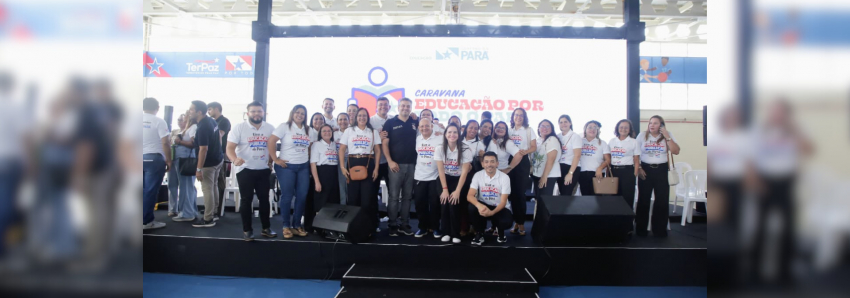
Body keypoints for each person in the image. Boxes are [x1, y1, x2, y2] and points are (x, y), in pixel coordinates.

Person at [226, 101, 277, 241]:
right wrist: (234, 159)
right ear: (247, 113)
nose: (256, 114)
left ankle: (266, 228)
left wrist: (272, 161)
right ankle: (247, 230)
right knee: (246, 200)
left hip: (263, 170)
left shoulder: (270, 128)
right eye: (253, 111)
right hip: (245, 170)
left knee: (264, 200)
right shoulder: (239, 128)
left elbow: (273, 147)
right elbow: (230, 148)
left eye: (259, 111)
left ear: (263, 113)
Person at [268, 105, 314, 238]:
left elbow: (311, 145)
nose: (300, 115)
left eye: (303, 113)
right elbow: (271, 141)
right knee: (287, 196)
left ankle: (297, 225)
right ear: (292, 113)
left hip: (303, 167)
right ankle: (286, 225)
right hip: (286, 167)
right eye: (297, 112)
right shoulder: (284, 126)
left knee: (302, 196)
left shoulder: (309, 130)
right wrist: (275, 159)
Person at [636, 115, 680, 237]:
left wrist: (667, 136)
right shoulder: (642, 135)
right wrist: (639, 167)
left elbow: (676, 151)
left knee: (661, 200)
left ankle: (659, 230)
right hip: (645, 169)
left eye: (655, 123)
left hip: (661, 169)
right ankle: (641, 229)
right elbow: (636, 153)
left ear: (661, 125)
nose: (652, 125)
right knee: (643, 199)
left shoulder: (667, 134)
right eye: (650, 123)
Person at [339, 108, 382, 232]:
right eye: (359, 115)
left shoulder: (373, 132)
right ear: (356, 117)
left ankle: (369, 226)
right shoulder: (349, 131)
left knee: (368, 199)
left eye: (364, 115)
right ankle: (354, 226)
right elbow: (342, 149)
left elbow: (378, 150)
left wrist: (377, 168)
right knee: (353, 198)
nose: (362, 118)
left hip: (369, 163)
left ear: (368, 117)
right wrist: (342, 167)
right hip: (352, 163)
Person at [381, 98, 418, 236]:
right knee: (394, 197)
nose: (405, 108)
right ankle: (392, 224)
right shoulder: (390, 123)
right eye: (403, 106)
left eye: (408, 106)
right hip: (395, 165)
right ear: (398, 107)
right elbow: (385, 144)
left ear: (411, 108)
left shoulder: (415, 121)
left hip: (412, 165)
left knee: (408, 197)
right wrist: (390, 161)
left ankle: (404, 224)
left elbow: (429, 129)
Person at [435, 124, 472, 243]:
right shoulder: (440, 148)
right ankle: (445, 232)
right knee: (444, 203)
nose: (452, 135)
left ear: (459, 134)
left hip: (459, 180)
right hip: (444, 179)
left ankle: (455, 233)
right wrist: (445, 189)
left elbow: (465, 172)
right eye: (449, 132)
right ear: (445, 134)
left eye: (455, 132)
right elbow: (441, 170)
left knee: (454, 204)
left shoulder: (465, 149)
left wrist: (457, 191)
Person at [468, 152, 513, 246]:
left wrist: (492, 213)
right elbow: (470, 196)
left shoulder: (505, 177)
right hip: (484, 205)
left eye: (492, 161)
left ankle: (500, 230)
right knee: (472, 208)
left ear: (497, 163)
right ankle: (480, 233)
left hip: (499, 206)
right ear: (482, 164)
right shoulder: (477, 175)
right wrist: (479, 206)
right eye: (486, 162)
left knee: (506, 222)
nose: (489, 164)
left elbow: (503, 201)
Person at [142, 97, 172, 230]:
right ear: (157, 107)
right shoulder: (159, 121)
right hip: (153, 159)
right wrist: (169, 160)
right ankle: (146, 221)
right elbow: (165, 142)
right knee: (150, 191)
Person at [412, 117, 443, 238]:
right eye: (422, 126)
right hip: (419, 176)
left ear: (431, 126)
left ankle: (435, 227)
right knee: (420, 204)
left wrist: (442, 129)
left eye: (427, 126)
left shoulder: (439, 138)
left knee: (435, 204)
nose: (424, 128)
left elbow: (452, 137)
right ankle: (422, 227)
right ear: (419, 128)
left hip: (435, 177)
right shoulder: (417, 139)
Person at [507, 108, 535, 235]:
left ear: (524, 117)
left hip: (522, 162)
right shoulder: (508, 130)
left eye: (521, 115)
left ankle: (522, 223)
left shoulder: (528, 130)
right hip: (509, 161)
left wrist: (525, 151)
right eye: (516, 115)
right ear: (513, 116)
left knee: (520, 194)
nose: (518, 117)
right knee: (512, 194)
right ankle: (516, 222)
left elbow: (534, 147)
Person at [170, 112, 199, 222]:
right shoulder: (188, 128)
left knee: (186, 186)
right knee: (187, 186)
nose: (183, 118)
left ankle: (187, 213)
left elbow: (194, 143)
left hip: (185, 159)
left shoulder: (193, 127)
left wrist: (179, 141)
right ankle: (191, 211)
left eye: (185, 115)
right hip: (181, 158)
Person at [310, 124, 340, 227]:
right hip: (322, 173)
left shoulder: (334, 144)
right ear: (320, 133)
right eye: (324, 131)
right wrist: (317, 182)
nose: (327, 132)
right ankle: (319, 226)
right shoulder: (317, 144)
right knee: (321, 201)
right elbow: (313, 164)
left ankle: (331, 226)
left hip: (334, 174)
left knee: (333, 201)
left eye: (329, 131)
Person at [608, 119, 640, 208]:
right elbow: (608, 158)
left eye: (626, 128)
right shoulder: (612, 141)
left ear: (630, 129)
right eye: (621, 127)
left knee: (627, 198)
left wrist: (634, 174)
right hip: (614, 171)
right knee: (614, 197)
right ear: (617, 128)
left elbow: (636, 160)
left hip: (627, 172)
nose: (623, 129)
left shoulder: (634, 142)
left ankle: (627, 221)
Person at [371, 97, 392, 231]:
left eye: (385, 105)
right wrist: (378, 135)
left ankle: (392, 220)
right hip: (374, 162)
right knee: (373, 193)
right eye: (380, 105)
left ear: (389, 107)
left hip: (390, 162)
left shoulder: (393, 119)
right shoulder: (370, 121)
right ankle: (374, 221)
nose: (383, 107)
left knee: (393, 193)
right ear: (376, 107)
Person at [208, 102, 231, 217]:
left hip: (221, 155)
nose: (208, 112)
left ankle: (219, 209)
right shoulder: (211, 122)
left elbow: (219, 135)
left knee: (219, 182)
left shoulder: (224, 121)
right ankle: (212, 208)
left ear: (217, 109)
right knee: (212, 183)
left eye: (210, 109)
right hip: (212, 155)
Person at [578, 120, 610, 196]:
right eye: (590, 127)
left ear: (598, 131)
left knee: (597, 199)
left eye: (595, 128)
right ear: (585, 130)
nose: (592, 129)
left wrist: (600, 168)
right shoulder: (579, 141)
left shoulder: (602, 143)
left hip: (597, 174)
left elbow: (608, 160)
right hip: (582, 173)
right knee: (585, 198)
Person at [531, 120, 561, 200]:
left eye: (548, 126)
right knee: (539, 200)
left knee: (544, 201)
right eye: (542, 126)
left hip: (548, 175)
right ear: (538, 128)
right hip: (538, 174)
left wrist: (544, 176)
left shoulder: (552, 139)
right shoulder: (538, 140)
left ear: (552, 129)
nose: (545, 128)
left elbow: (551, 159)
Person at [166, 114, 187, 217]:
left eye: (181, 120)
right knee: (172, 184)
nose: (179, 122)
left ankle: (184, 209)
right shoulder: (173, 131)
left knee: (184, 185)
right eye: (178, 120)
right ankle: (172, 209)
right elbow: (167, 143)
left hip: (184, 160)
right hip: (172, 159)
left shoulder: (189, 131)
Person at [557, 115, 582, 196]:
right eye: (561, 122)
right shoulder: (558, 136)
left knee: (566, 193)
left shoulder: (575, 136)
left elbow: (577, 155)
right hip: (560, 167)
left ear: (570, 123)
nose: (563, 124)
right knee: (562, 192)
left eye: (565, 122)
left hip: (571, 168)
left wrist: (570, 173)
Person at [335, 113, 351, 205]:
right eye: (340, 119)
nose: (343, 122)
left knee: (350, 185)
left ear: (349, 121)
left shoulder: (352, 131)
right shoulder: (333, 134)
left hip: (350, 161)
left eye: (345, 119)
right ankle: (343, 206)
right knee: (341, 185)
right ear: (337, 121)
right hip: (339, 161)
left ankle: (351, 207)